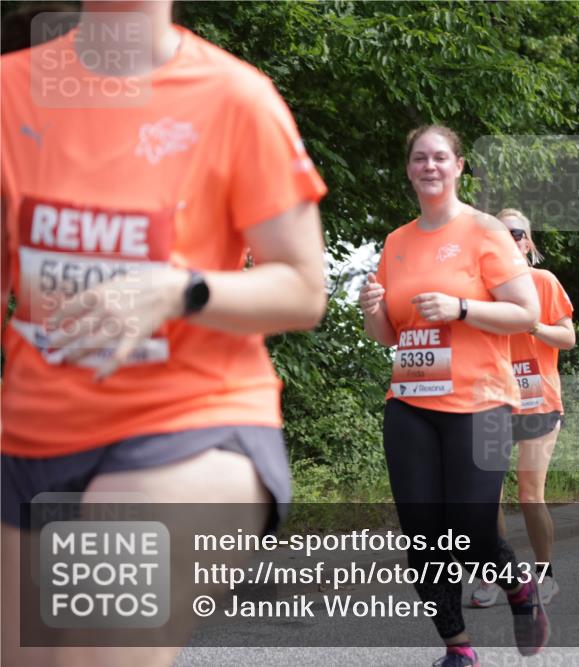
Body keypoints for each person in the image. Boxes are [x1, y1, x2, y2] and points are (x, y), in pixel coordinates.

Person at [1, 2, 328, 665]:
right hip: (31, 435)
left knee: (100, 622)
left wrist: (180, 288)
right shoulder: (10, 91)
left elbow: (302, 288)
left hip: (191, 421)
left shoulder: (237, 98)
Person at [358, 125, 548, 667]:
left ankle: (519, 587)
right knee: (422, 538)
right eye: (419, 158)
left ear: (459, 166)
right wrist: (373, 309)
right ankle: (458, 648)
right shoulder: (396, 242)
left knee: (471, 526)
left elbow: (526, 313)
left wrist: (462, 308)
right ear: (409, 170)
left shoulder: (484, 230)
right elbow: (391, 335)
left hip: (481, 400)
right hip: (411, 404)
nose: (430, 166)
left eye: (440, 157)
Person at [469, 208, 575, 609]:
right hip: (493, 402)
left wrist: (531, 323)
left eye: (515, 233)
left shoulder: (543, 282)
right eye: (498, 232)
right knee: (487, 498)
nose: (508, 238)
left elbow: (567, 338)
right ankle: (495, 574)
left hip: (538, 402)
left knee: (530, 494)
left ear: (527, 242)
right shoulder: (480, 289)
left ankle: (545, 574)